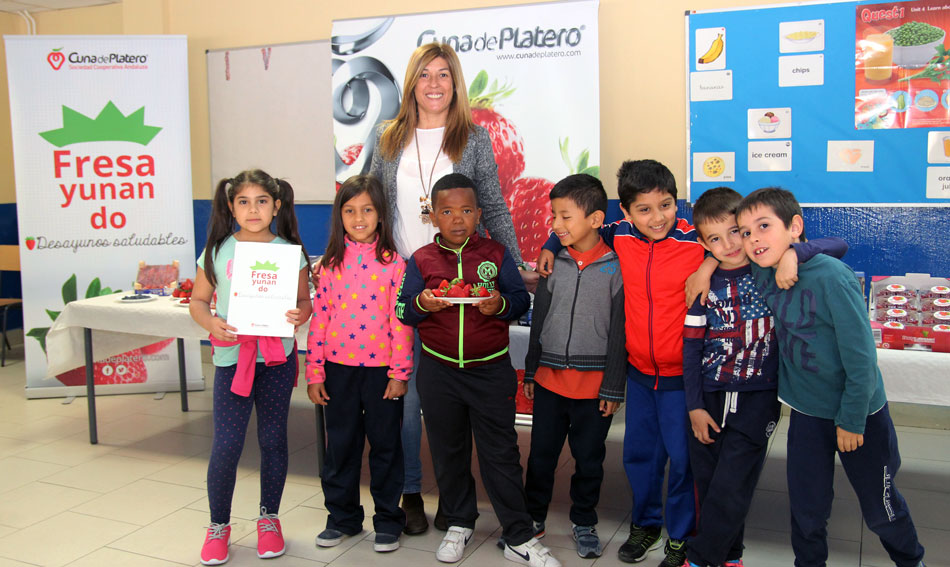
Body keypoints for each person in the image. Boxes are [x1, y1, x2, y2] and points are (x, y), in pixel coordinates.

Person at [367, 41, 533, 534]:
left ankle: (455, 500)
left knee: (441, 398)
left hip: (458, 284)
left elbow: (496, 208)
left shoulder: (473, 137)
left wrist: (514, 265)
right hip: (402, 281)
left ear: (455, 83)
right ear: (411, 83)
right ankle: (411, 490)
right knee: (408, 395)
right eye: (424, 74)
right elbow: (369, 200)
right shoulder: (387, 137)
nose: (434, 84)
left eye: (444, 74)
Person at [735, 187, 927, 567]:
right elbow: (719, 253)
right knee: (807, 509)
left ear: (795, 227)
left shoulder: (832, 277)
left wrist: (852, 419)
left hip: (860, 415)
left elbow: (861, 360)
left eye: (763, 226)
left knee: (880, 509)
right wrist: (787, 253)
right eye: (744, 231)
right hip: (808, 414)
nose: (752, 238)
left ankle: (910, 560)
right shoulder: (763, 270)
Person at [537, 159, 703, 567]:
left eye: (666, 205)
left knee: (684, 461)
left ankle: (682, 536)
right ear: (625, 213)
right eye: (643, 209)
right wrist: (549, 244)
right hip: (641, 376)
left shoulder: (695, 241)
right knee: (640, 457)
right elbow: (575, 227)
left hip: (683, 377)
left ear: (676, 202)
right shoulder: (619, 235)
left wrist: (713, 263)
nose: (657, 217)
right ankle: (645, 525)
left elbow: (734, 248)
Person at [396, 173, 560, 567]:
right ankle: (459, 521)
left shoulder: (496, 253)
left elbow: (520, 300)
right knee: (448, 451)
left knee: (500, 453)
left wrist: (498, 305)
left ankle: (518, 534)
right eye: (447, 211)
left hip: (490, 372)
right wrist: (423, 302)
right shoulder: (421, 259)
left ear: (479, 214)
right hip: (439, 372)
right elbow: (402, 310)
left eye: (466, 211)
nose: (457, 219)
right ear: (433, 216)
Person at [683, 187, 848, 567]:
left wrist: (794, 252)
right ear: (703, 242)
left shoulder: (769, 267)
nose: (729, 245)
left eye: (736, 232)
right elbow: (691, 348)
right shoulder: (700, 287)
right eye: (714, 239)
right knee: (711, 485)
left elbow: (838, 244)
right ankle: (731, 556)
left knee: (732, 484)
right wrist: (693, 404)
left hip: (758, 396)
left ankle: (699, 559)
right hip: (708, 395)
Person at [190, 170, 312, 566]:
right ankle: (218, 526)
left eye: (262, 201)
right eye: (244, 201)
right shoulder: (217, 250)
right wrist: (211, 324)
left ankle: (269, 518)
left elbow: (304, 302)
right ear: (231, 206)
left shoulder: (288, 251)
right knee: (226, 444)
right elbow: (197, 301)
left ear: (276, 206)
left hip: (276, 360)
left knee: (273, 440)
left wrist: (299, 314)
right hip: (232, 361)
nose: (253, 209)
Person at [306, 175, 414, 553]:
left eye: (367, 209)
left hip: (382, 374)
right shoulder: (329, 265)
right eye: (350, 210)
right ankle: (342, 518)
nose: (359, 217)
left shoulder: (395, 265)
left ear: (381, 215)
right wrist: (315, 371)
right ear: (340, 217)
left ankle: (387, 520)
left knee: (385, 447)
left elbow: (401, 323)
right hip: (338, 371)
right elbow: (319, 318)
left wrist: (400, 374)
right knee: (341, 447)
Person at [522, 174, 625, 560]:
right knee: (541, 456)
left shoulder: (617, 267)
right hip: (549, 381)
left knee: (589, 459)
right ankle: (532, 518)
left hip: (594, 388)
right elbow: (541, 319)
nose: (555, 225)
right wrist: (532, 369)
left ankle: (584, 521)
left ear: (596, 219)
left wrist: (614, 387)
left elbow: (619, 333)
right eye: (553, 216)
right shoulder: (553, 264)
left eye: (565, 216)